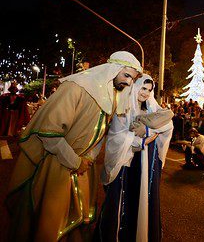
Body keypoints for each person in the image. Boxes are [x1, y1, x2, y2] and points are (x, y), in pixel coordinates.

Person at [5, 51, 143, 242]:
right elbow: (49, 133)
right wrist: (75, 161)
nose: (129, 82)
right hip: (57, 165)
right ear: (113, 70)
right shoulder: (76, 88)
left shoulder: (111, 96)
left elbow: (100, 134)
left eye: (132, 79)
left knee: (77, 225)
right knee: (51, 223)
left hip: (83, 169)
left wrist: (88, 159)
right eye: (126, 75)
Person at [95, 74, 173, 242]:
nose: (145, 93)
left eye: (149, 90)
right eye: (143, 88)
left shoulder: (150, 109)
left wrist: (148, 132)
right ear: (136, 86)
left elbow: (168, 124)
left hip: (144, 164)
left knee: (141, 203)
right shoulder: (123, 109)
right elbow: (116, 137)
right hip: (125, 164)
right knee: (122, 204)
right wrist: (141, 139)